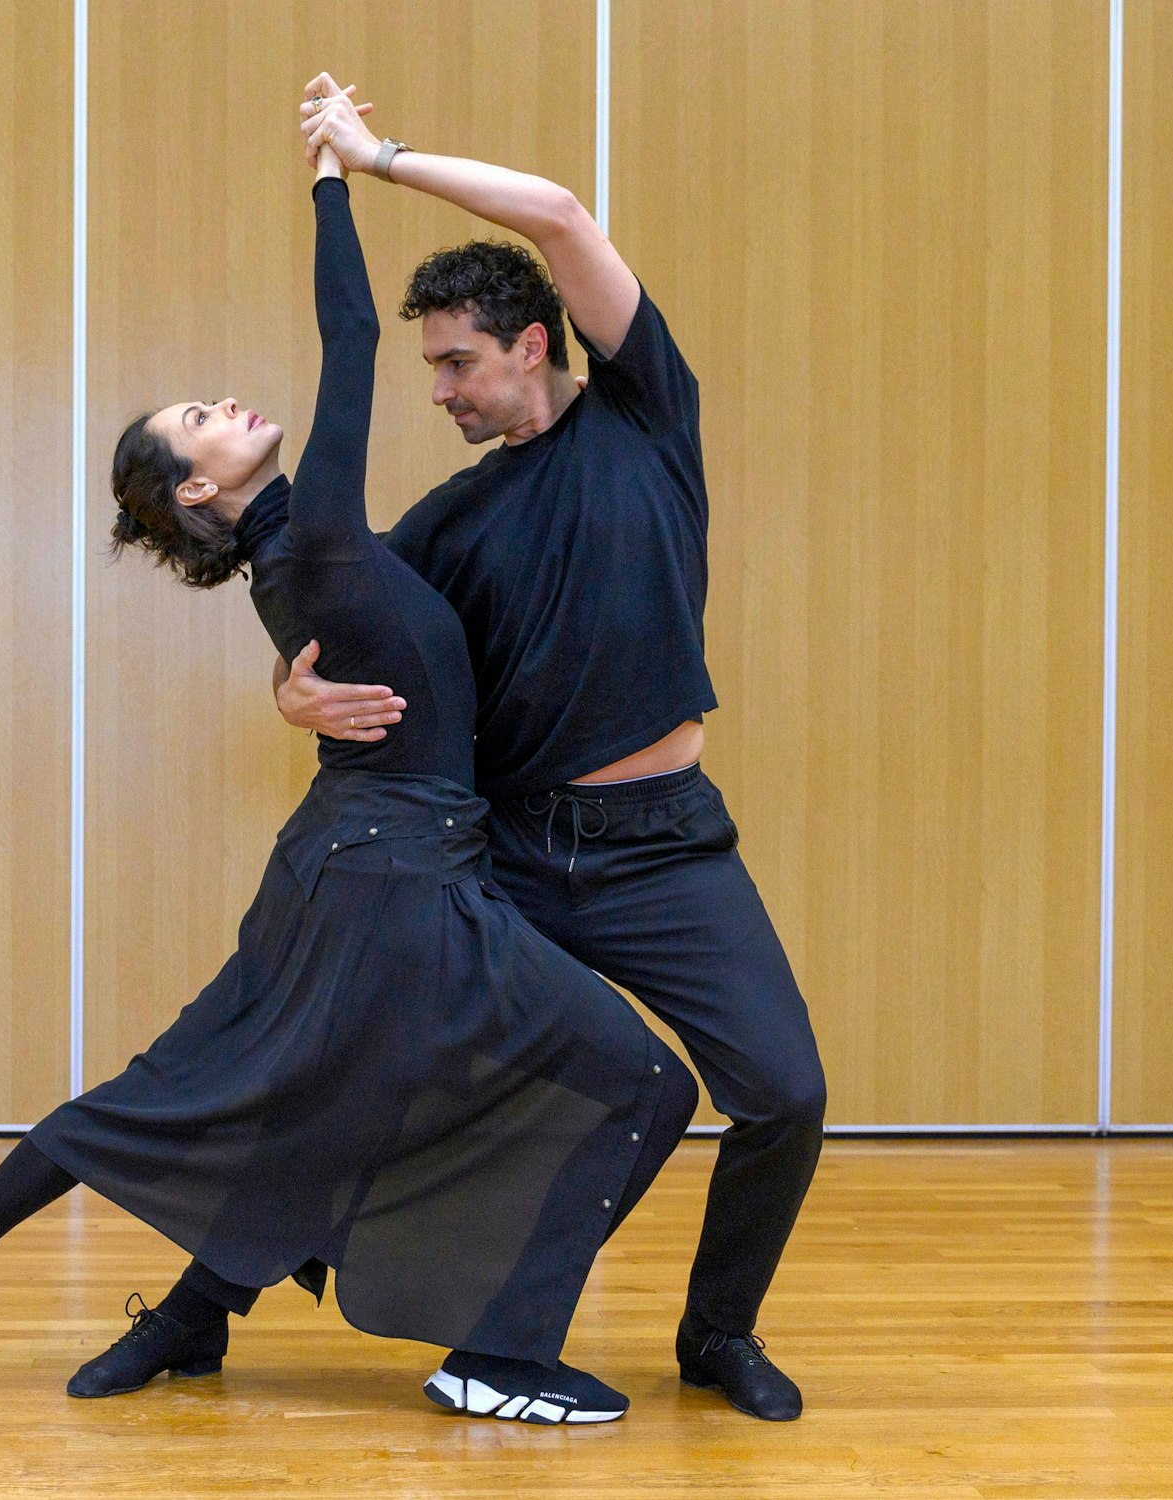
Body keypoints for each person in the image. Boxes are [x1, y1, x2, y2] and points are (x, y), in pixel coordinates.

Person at [0, 99, 697, 1427]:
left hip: (357, 870)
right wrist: (333, 182)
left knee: (212, 1094)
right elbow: (351, 338)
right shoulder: (322, 543)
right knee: (634, 1081)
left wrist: (293, 698)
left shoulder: (309, 566)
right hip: (398, 889)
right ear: (196, 492)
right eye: (197, 420)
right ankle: (501, 1355)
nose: (225, 405)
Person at [227, 74, 827, 1423]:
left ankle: (717, 1335)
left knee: (783, 1093)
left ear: (534, 344)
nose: (437, 390)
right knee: (376, 1072)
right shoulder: (444, 522)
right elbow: (336, 610)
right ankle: (211, 1311)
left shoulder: (644, 418)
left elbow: (558, 212)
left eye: (456, 363)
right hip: (506, 857)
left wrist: (371, 161)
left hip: (665, 849)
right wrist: (288, 688)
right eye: (428, 364)